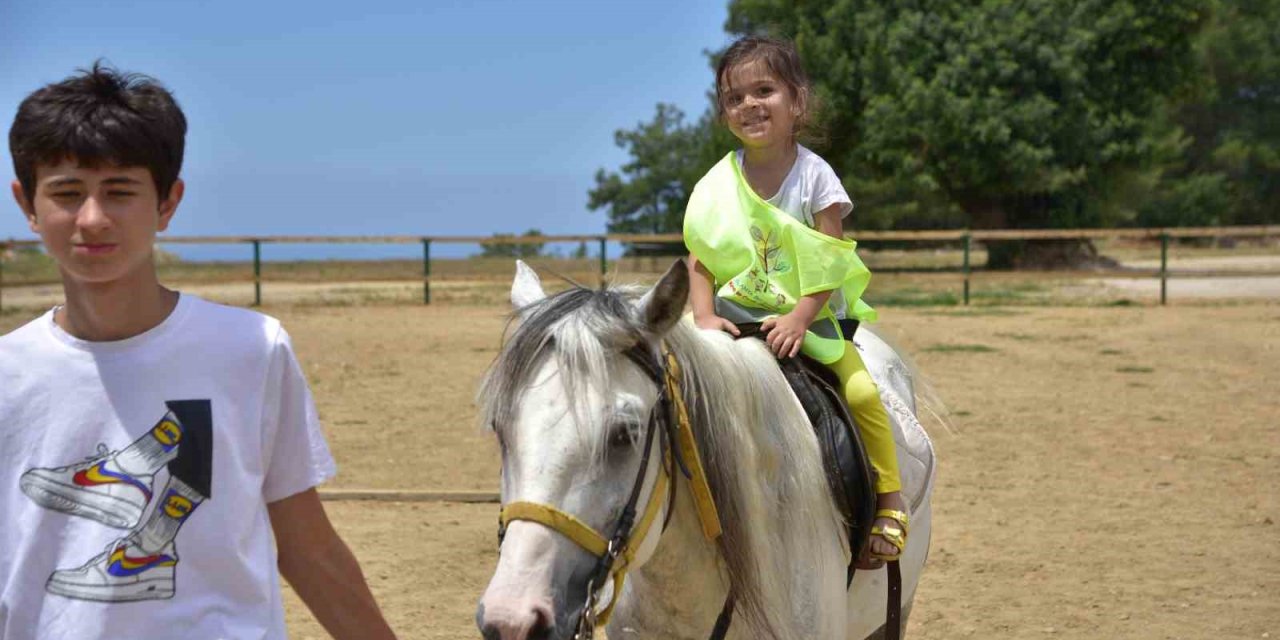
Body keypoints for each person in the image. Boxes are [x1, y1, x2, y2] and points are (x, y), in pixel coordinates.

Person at [0, 63, 397, 639]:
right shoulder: (9, 374)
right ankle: (128, 476)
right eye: (66, 193)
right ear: (27, 205)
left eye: (119, 191)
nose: (92, 218)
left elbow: (307, 546)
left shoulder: (250, 349)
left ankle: (138, 505)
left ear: (167, 201)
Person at [683, 36, 908, 567]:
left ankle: (889, 501)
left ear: (797, 101)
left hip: (806, 320)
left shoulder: (815, 176)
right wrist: (704, 317)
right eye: (734, 98)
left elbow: (829, 256)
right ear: (724, 113)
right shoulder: (718, 184)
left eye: (764, 90)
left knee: (860, 392)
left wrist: (802, 315)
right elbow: (700, 258)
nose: (749, 105)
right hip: (733, 324)